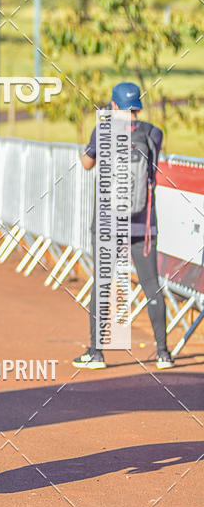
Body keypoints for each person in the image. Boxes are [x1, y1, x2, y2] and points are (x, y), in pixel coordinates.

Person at [73, 81, 173, 371]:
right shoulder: (153, 133)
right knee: (152, 285)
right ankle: (163, 353)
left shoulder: (102, 131)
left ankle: (96, 353)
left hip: (107, 225)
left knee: (103, 285)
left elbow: (87, 163)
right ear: (138, 106)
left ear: (114, 105)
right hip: (144, 225)